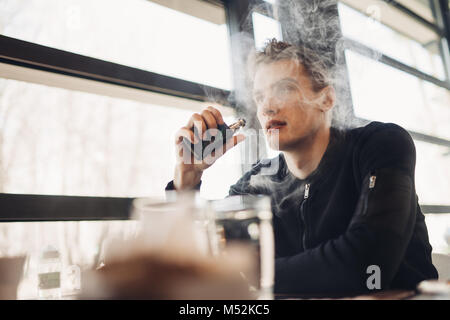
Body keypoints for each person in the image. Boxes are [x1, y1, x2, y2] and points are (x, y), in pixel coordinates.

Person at [165, 39, 438, 295]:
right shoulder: (256, 184)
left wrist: (256, 273)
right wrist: (186, 178)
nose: (267, 107)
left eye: (284, 89)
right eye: (260, 97)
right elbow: (194, 264)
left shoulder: (379, 145)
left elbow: (367, 264)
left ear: (327, 99)